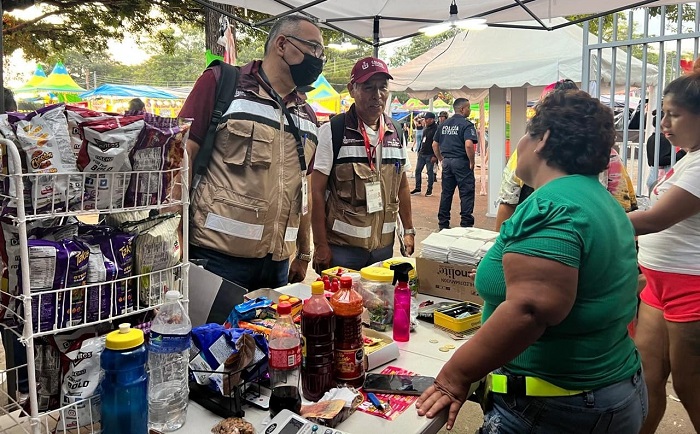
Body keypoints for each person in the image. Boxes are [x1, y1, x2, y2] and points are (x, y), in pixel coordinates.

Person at [416, 90, 646, 433]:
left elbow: (531, 310)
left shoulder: (552, 206)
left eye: (527, 132)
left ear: (544, 139)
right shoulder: (601, 201)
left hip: (556, 406)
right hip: (607, 389)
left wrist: (455, 376)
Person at [180, 15, 324, 290]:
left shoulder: (307, 116)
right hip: (217, 258)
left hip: (278, 266)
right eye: (313, 48)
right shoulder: (223, 85)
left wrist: (304, 252)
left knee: (272, 333)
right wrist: (177, 240)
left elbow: (302, 189)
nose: (318, 59)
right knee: (215, 334)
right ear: (282, 44)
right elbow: (181, 160)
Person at [629, 61, 700, 434]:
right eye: (663, 115)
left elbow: (657, 219)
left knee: (691, 388)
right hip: (658, 290)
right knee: (645, 379)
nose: (664, 125)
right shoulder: (690, 159)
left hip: (692, 290)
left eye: (674, 115)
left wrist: (593, 220)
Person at [311, 57, 415, 272]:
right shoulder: (333, 131)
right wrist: (320, 245)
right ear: (352, 89)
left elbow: (402, 186)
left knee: (377, 305)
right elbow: (316, 193)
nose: (377, 95)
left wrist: (409, 230)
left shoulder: (396, 132)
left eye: (382, 88)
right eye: (368, 88)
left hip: (384, 249)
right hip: (342, 249)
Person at [495, 79, 636, 230]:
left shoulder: (529, 152)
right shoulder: (606, 155)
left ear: (544, 136)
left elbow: (508, 202)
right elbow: (622, 211)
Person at [432, 98, 477, 229]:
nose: (470, 110)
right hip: (461, 162)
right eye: (468, 107)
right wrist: (472, 162)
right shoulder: (467, 125)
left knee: (446, 193)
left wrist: (441, 159)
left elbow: (435, 144)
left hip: (447, 162)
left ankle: (443, 223)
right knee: (467, 193)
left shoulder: (444, 124)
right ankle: (466, 223)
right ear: (462, 109)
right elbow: (469, 145)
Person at [645, 109, 686, 194]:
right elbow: (662, 159)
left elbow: (651, 160)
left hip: (653, 173)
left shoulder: (651, 138)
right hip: (661, 176)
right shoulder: (664, 139)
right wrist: (682, 153)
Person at [411, 112, 438, 196]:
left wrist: (435, 155)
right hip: (422, 153)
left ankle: (429, 189)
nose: (425, 120)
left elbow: (438, 143)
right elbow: (423, 140)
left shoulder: (436, 129)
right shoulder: (426, 128)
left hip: (430, 154)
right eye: (425, 119)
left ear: (432, 119)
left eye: (427, 119)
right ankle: (418, 188)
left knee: (429, 172)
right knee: (417, 171)